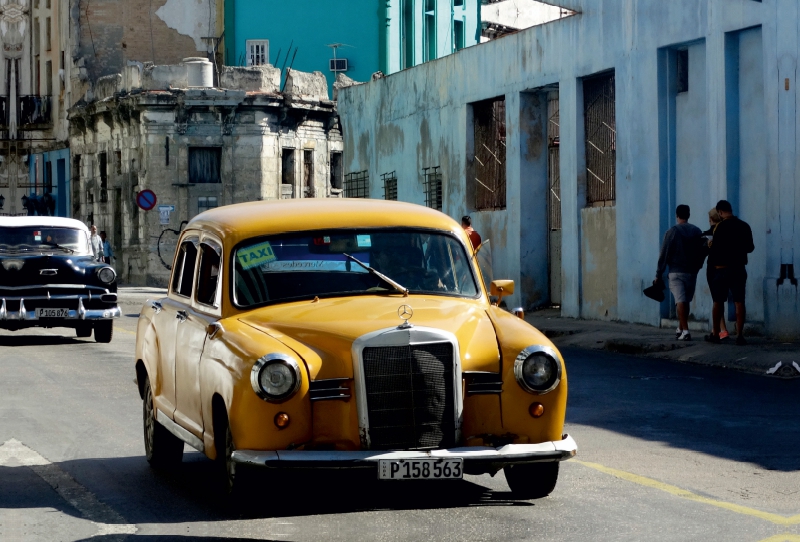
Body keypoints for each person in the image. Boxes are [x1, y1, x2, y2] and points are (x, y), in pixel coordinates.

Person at [705, 200, 754, 346]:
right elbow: (750, 248)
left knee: (718, 302)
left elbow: (714, 251)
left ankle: (715, 333)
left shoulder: (719, 227)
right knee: (739, 301)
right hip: (738, 268)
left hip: (722, 269)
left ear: (720, 212)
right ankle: (740, 335)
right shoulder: (744, 226)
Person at [655, 204, 703, 341]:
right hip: (692, 272)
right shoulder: (697, 231)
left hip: (676, 272)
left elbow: (664, 254)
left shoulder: (672, 232)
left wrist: (658, 274)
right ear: (688, 215)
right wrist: (698, 266)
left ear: (677, 216)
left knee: (680, 300)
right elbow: (703, 251)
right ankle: (681, 328)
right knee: (685, 300)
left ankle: (686, 330)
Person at [704, 209, 729, 340]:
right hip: (727, 267)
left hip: (713, 268)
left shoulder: (710, 233)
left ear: (711, 219)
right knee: (720, 300)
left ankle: (718, 330)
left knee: (716, 300)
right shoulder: (727, 230)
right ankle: (722, 329)